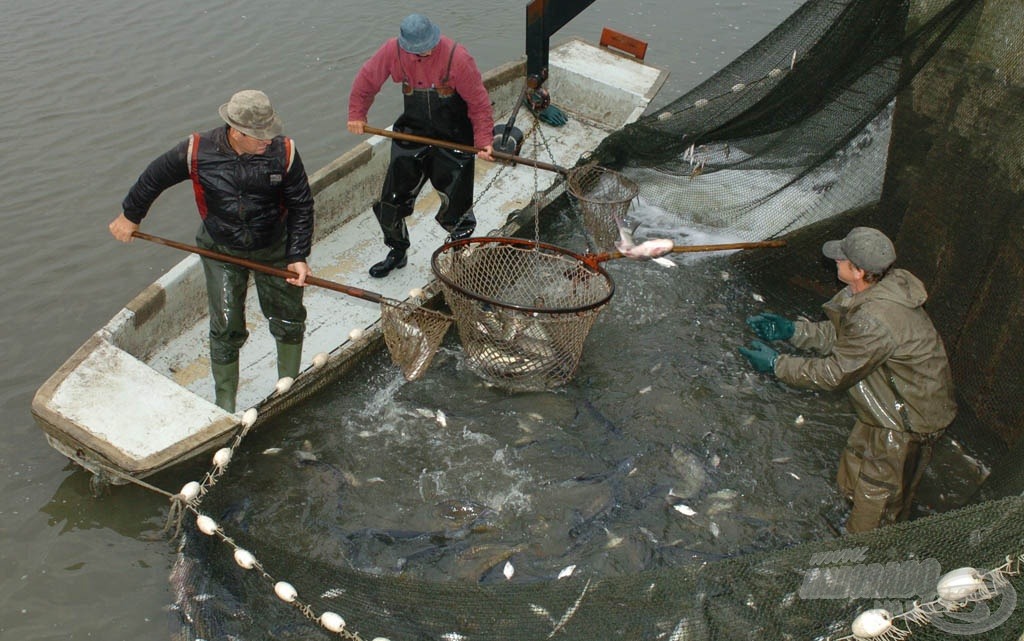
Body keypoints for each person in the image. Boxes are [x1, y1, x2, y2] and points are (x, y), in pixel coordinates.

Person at [738, 227, 957, 533]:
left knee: (877, 496)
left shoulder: (877, 317)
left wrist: (777, 364)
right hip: (886, 400)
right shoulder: (872, 290)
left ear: (859, 271)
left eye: (842, 259)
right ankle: (850, 518)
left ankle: (863, 550)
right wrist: (792, 331)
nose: (835, 262)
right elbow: (846, 336)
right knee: (854, 467)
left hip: (906, 420)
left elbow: (834, 373)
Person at [109, 90, 315, 413]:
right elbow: (155, 177)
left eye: (269, 132)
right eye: (260, 136)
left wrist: (298, 255)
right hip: (221, 248)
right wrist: (130, 215)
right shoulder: (196, 151)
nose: (267, 141)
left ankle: (288, 387)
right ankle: (225, 403)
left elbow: (302, 205)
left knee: (287, 317)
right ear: (237, 131)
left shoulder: (284, 152)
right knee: (227, 324)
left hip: (274, 246)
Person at [347, 13, 495, 278]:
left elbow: (479, 104)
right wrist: (357, 114)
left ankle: (460, 253)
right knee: (390, 201)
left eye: (428, 49)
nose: (423, 54)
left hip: (453, 139)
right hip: (413, 134)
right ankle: (397, 249)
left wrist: (484, 141)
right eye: (417, 51)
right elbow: (366, 81)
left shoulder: (457, 58)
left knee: (457, 205)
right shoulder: (392, 51)